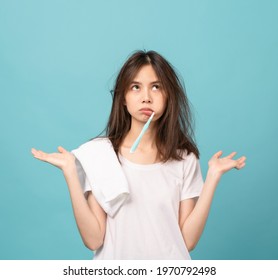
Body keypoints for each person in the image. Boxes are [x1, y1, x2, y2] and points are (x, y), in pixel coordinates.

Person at [31, 50, 246, 259]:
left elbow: (187, 242)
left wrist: (213, 177)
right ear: (123, 97)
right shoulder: (99, 154)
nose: (146, 97)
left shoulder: (185, 159)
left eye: (156, 87)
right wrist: (70, 172)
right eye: (135, 87)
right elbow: (93, 240)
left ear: (168, 96)